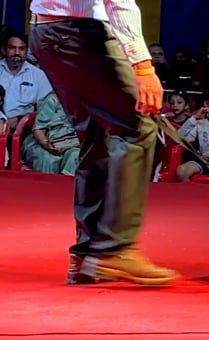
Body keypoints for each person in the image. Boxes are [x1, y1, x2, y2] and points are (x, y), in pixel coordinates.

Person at [29, 0, 178, 285]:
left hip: (45, 31)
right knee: (138, 127)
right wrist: (144, 68)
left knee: (97, 135)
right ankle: (115, 249)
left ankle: (89, 255)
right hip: (76, 33)